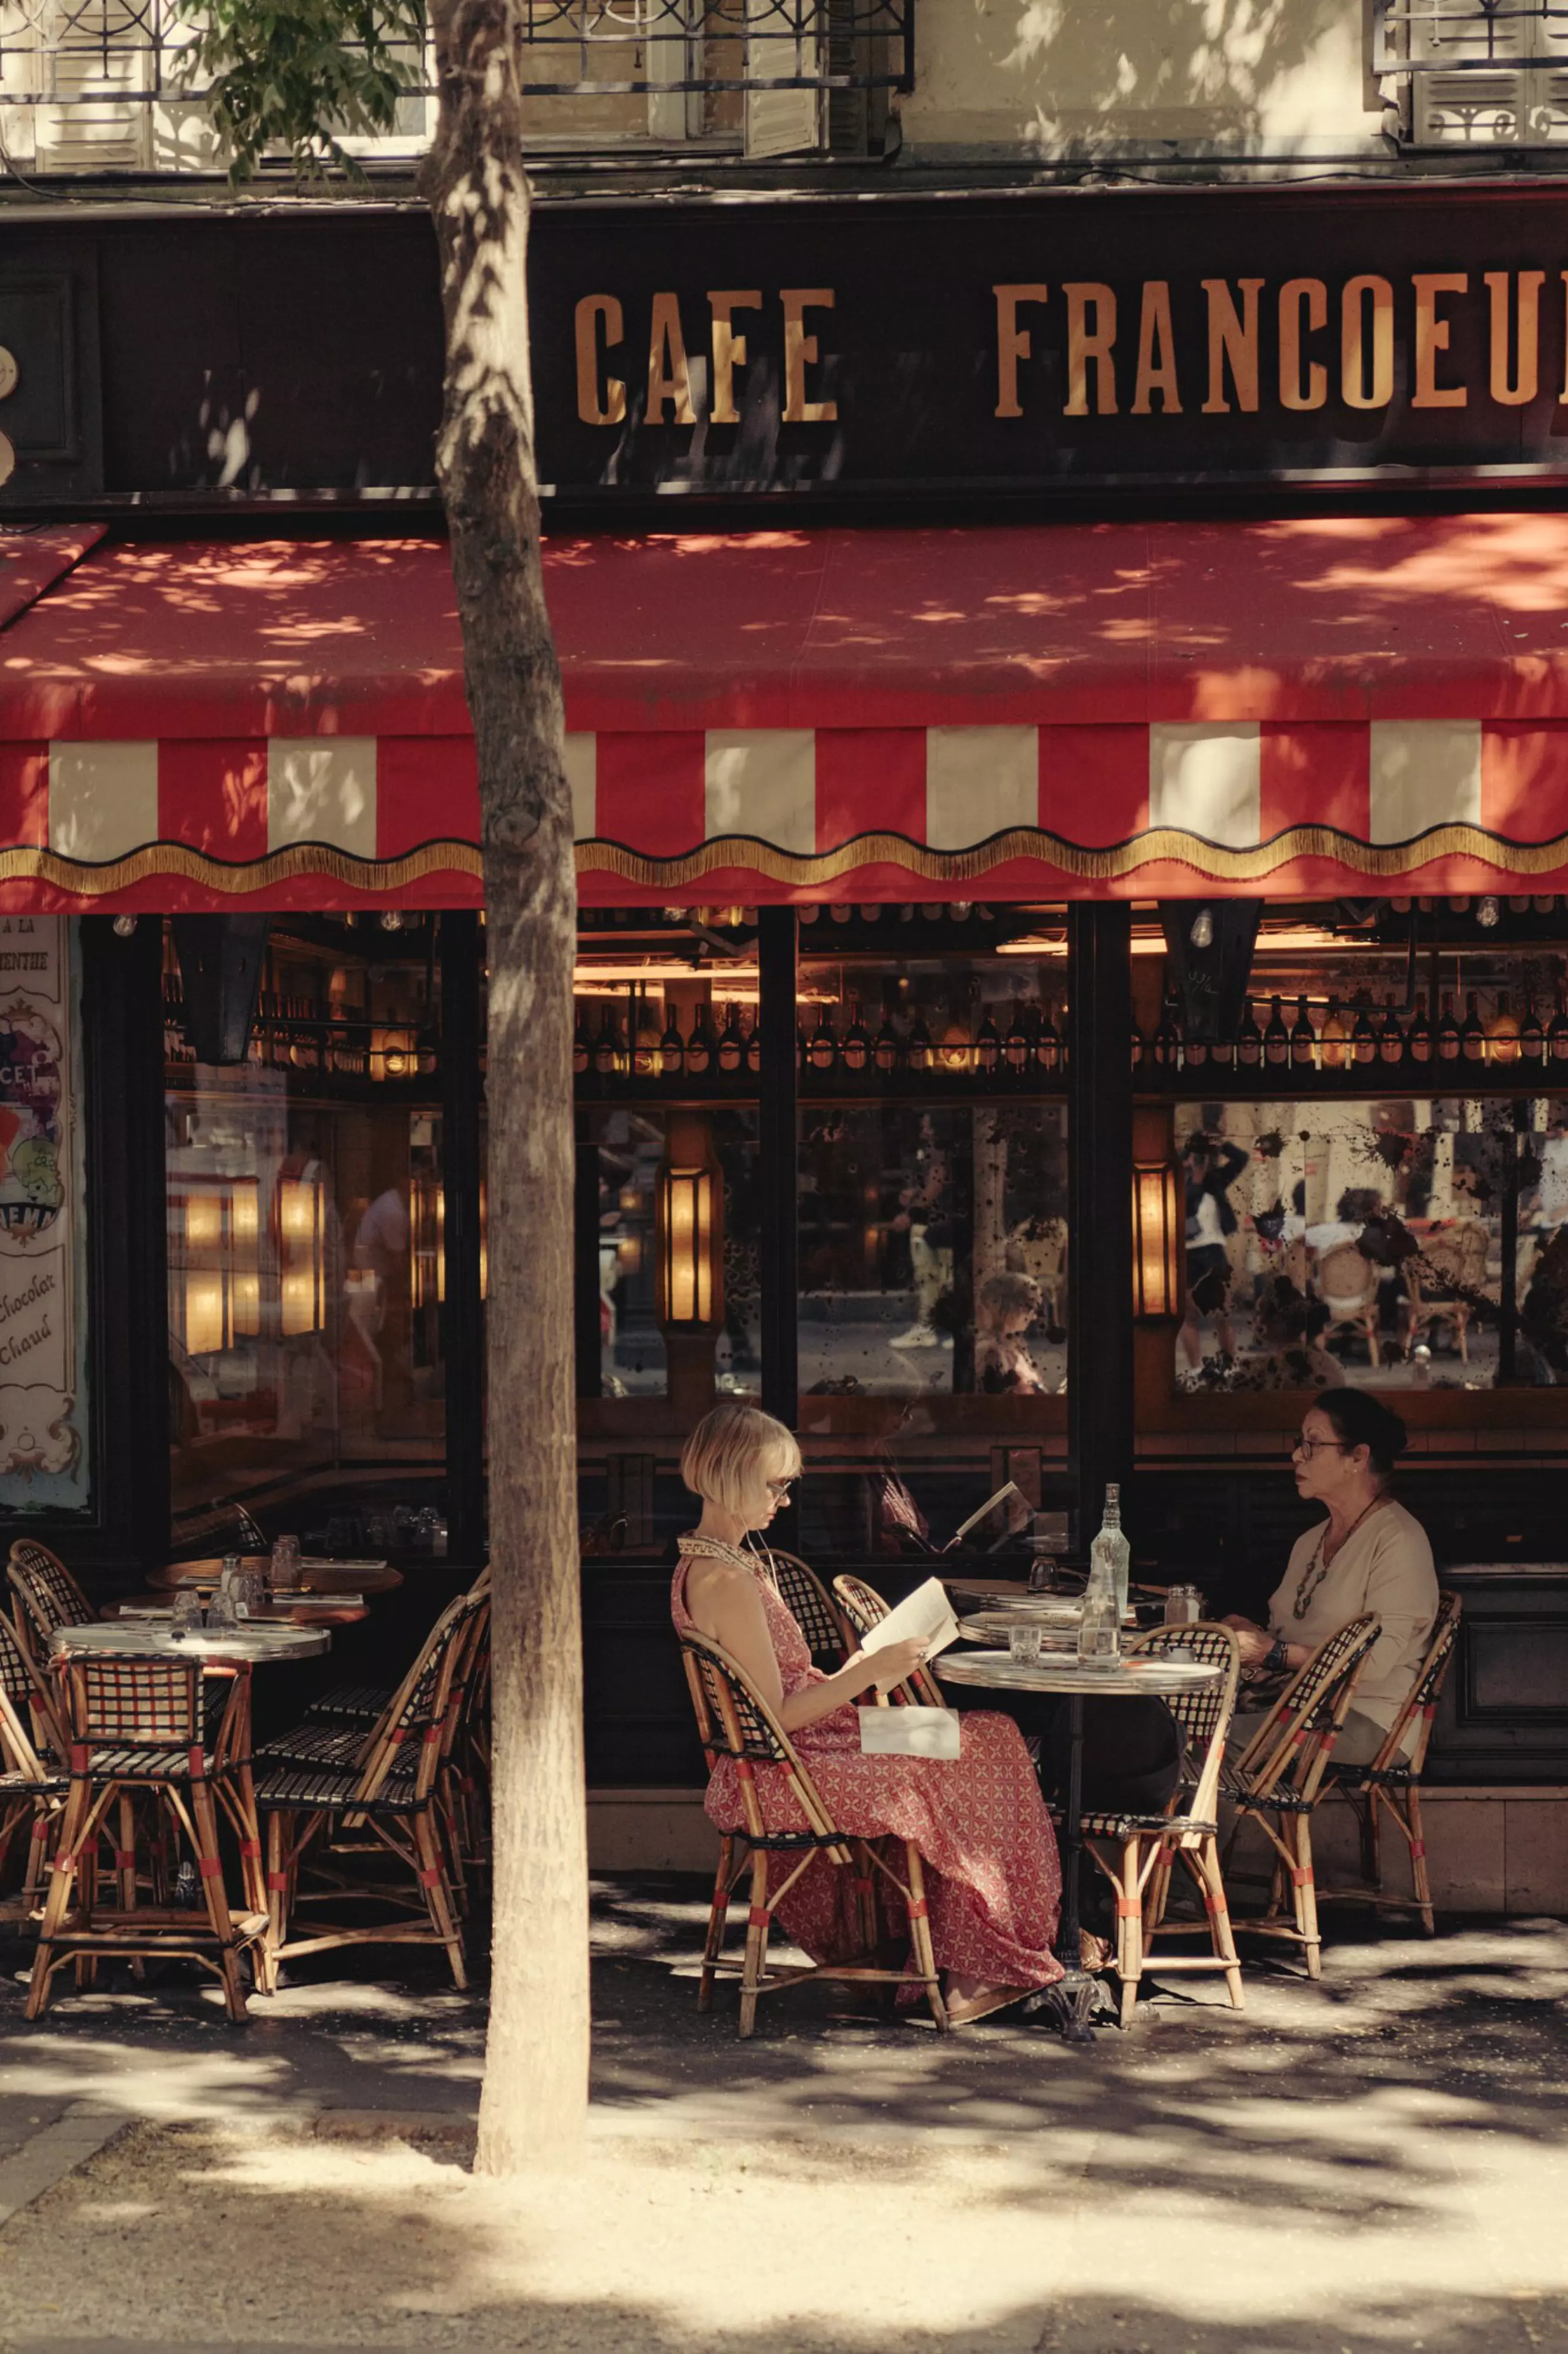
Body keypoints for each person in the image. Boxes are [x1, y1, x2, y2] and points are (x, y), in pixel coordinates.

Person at [671, 1401, 1063, 2025]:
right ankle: (974, 1964)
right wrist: (867, 1674)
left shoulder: (726, 1561)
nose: (785, 1500)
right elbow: (778, 1713)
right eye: (776, 1485)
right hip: (789, 1769)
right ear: (734, 1475)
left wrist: (862, 1672)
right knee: (963, 1756)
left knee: (990, 1734)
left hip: (808, 1746)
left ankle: (982, 1946)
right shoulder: (726, 1578)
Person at [1224, 1391, 1437, 1766]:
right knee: (1176, 1726)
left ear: (1358, 1457)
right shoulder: (1310, 1541)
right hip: (1299, 1703)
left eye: (1314, 1444)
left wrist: (1271, 1652)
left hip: (1365, 1718)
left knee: (1211, 1744)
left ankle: (1200, 1828)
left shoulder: (1398, 1540)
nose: (1297, 1456)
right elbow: (1292, 1635)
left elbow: (1373, 1662)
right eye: (1300, 1444)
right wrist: (1254, 1635)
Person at [1179, 1133, 1249, 1372]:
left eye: (1203, 1157)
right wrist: (1192, 1171)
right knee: (1189, 1315)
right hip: (1187, 1253)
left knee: (1223, 1313)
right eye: (1196, 1156)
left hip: (1214, 1251)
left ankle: (1228, 1365)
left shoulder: (1217, 1180)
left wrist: (1221, 1144)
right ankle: (1196, 1367)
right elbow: (1184, 1207)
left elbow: (1242, 1159)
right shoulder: (1177, 1183)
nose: (1200, 1161)